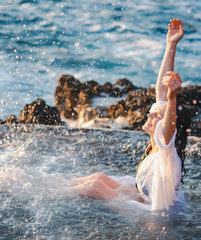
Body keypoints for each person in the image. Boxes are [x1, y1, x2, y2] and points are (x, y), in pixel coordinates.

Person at [71, 19, 190, 211]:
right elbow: (161, 89)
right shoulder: (159, 147)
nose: (150, 115)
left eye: (157, 116)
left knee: (96, 186)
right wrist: (171, 45)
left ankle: (50, 195)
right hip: (145, 198)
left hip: (156, 217)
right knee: (99, 177)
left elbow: (169, 124)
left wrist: (173, 97)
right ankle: (54, 184)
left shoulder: (168, 153)